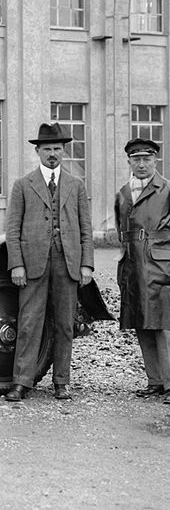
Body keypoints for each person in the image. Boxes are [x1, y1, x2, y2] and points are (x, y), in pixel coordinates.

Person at [4, 122, 94, 402]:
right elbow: (13, 229)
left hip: (67, 262)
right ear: (38, 151)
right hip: (32, 263)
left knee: (65, 324)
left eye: (57, 148)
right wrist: (16, 264)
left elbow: (86, 228)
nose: (52, 153)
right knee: (30, 322)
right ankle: (21, 382)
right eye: (47, 149)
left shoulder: (76, 186)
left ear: (64, 151)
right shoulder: (22, 185)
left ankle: (61, 382)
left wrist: (86, 264)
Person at [114, 138, 170, 404]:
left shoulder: (167, 190)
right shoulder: (124, 193)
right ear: (129, 162)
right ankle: (155, 381)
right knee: (142, 323)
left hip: (162, 266)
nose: (142, 164)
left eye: (147, 159)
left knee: (164, 326)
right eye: (136, 159)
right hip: (133, 266)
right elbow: (120, 231)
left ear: (155, 160)